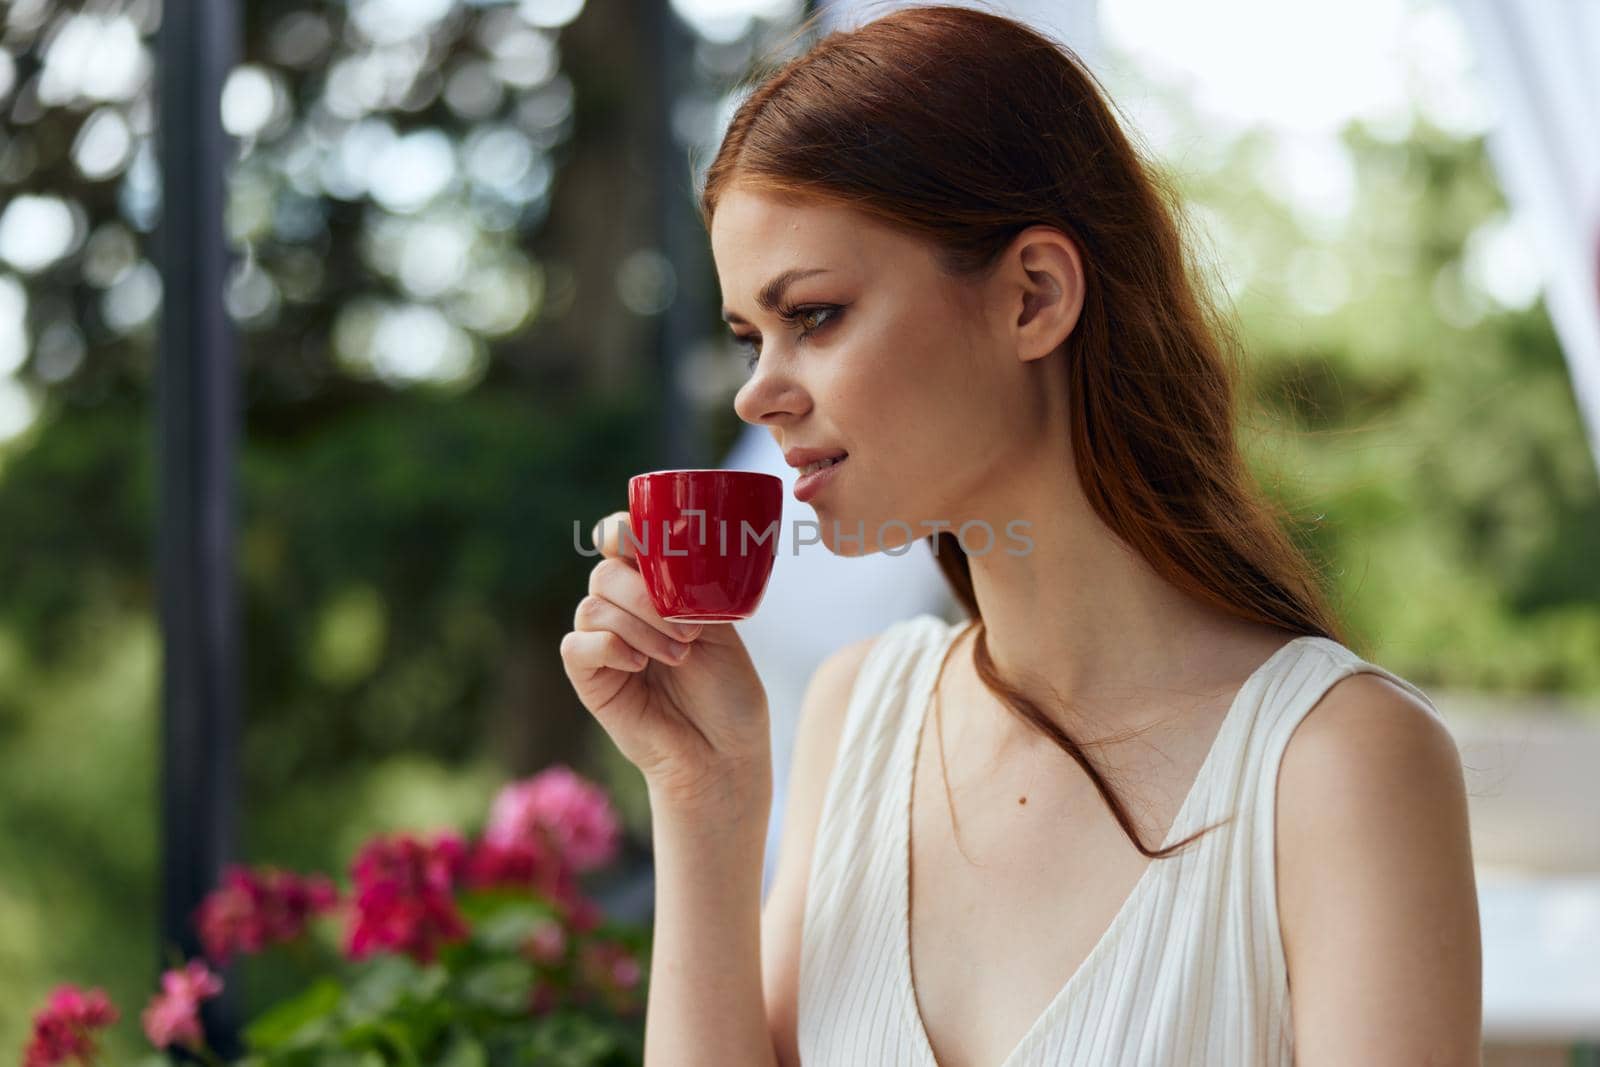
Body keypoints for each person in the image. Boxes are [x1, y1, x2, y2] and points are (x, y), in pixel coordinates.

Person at [560, 6, 1483, 1065]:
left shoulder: (1337, 764)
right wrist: (703, 797)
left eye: (812, 314)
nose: (760, 393)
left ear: (1032, 296)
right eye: (745, 337)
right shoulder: (856, 712)